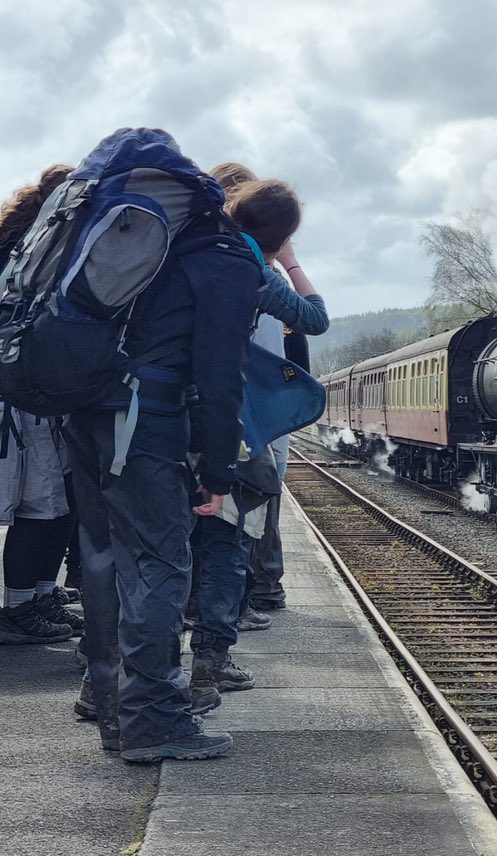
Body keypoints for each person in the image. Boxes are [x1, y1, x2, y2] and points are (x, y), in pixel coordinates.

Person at [66, 167, 263, 761]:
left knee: (103, 562)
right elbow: (221, 377)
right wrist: (219, 467)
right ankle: (153, 721)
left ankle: (113, 714)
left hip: (86, 410)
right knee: (160, 564)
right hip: (143, 421)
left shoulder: (146, 243)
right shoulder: (221, 258)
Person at [188, 177, 328, 700]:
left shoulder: (182, 253)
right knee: (229, 538)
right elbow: (315, 319)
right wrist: (288, 262)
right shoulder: (251, 271)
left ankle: (105, 678)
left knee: (155, 547)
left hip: (159, 418)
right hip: (228, 421)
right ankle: (209, 665)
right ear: (281, 235)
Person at [0, 164, 85, 645]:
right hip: (27, 394)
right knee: (41, 504)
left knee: (55, 502)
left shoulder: (29, 242)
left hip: (39, 392)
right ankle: (18, 606)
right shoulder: (31, 250)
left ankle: (37, 594)